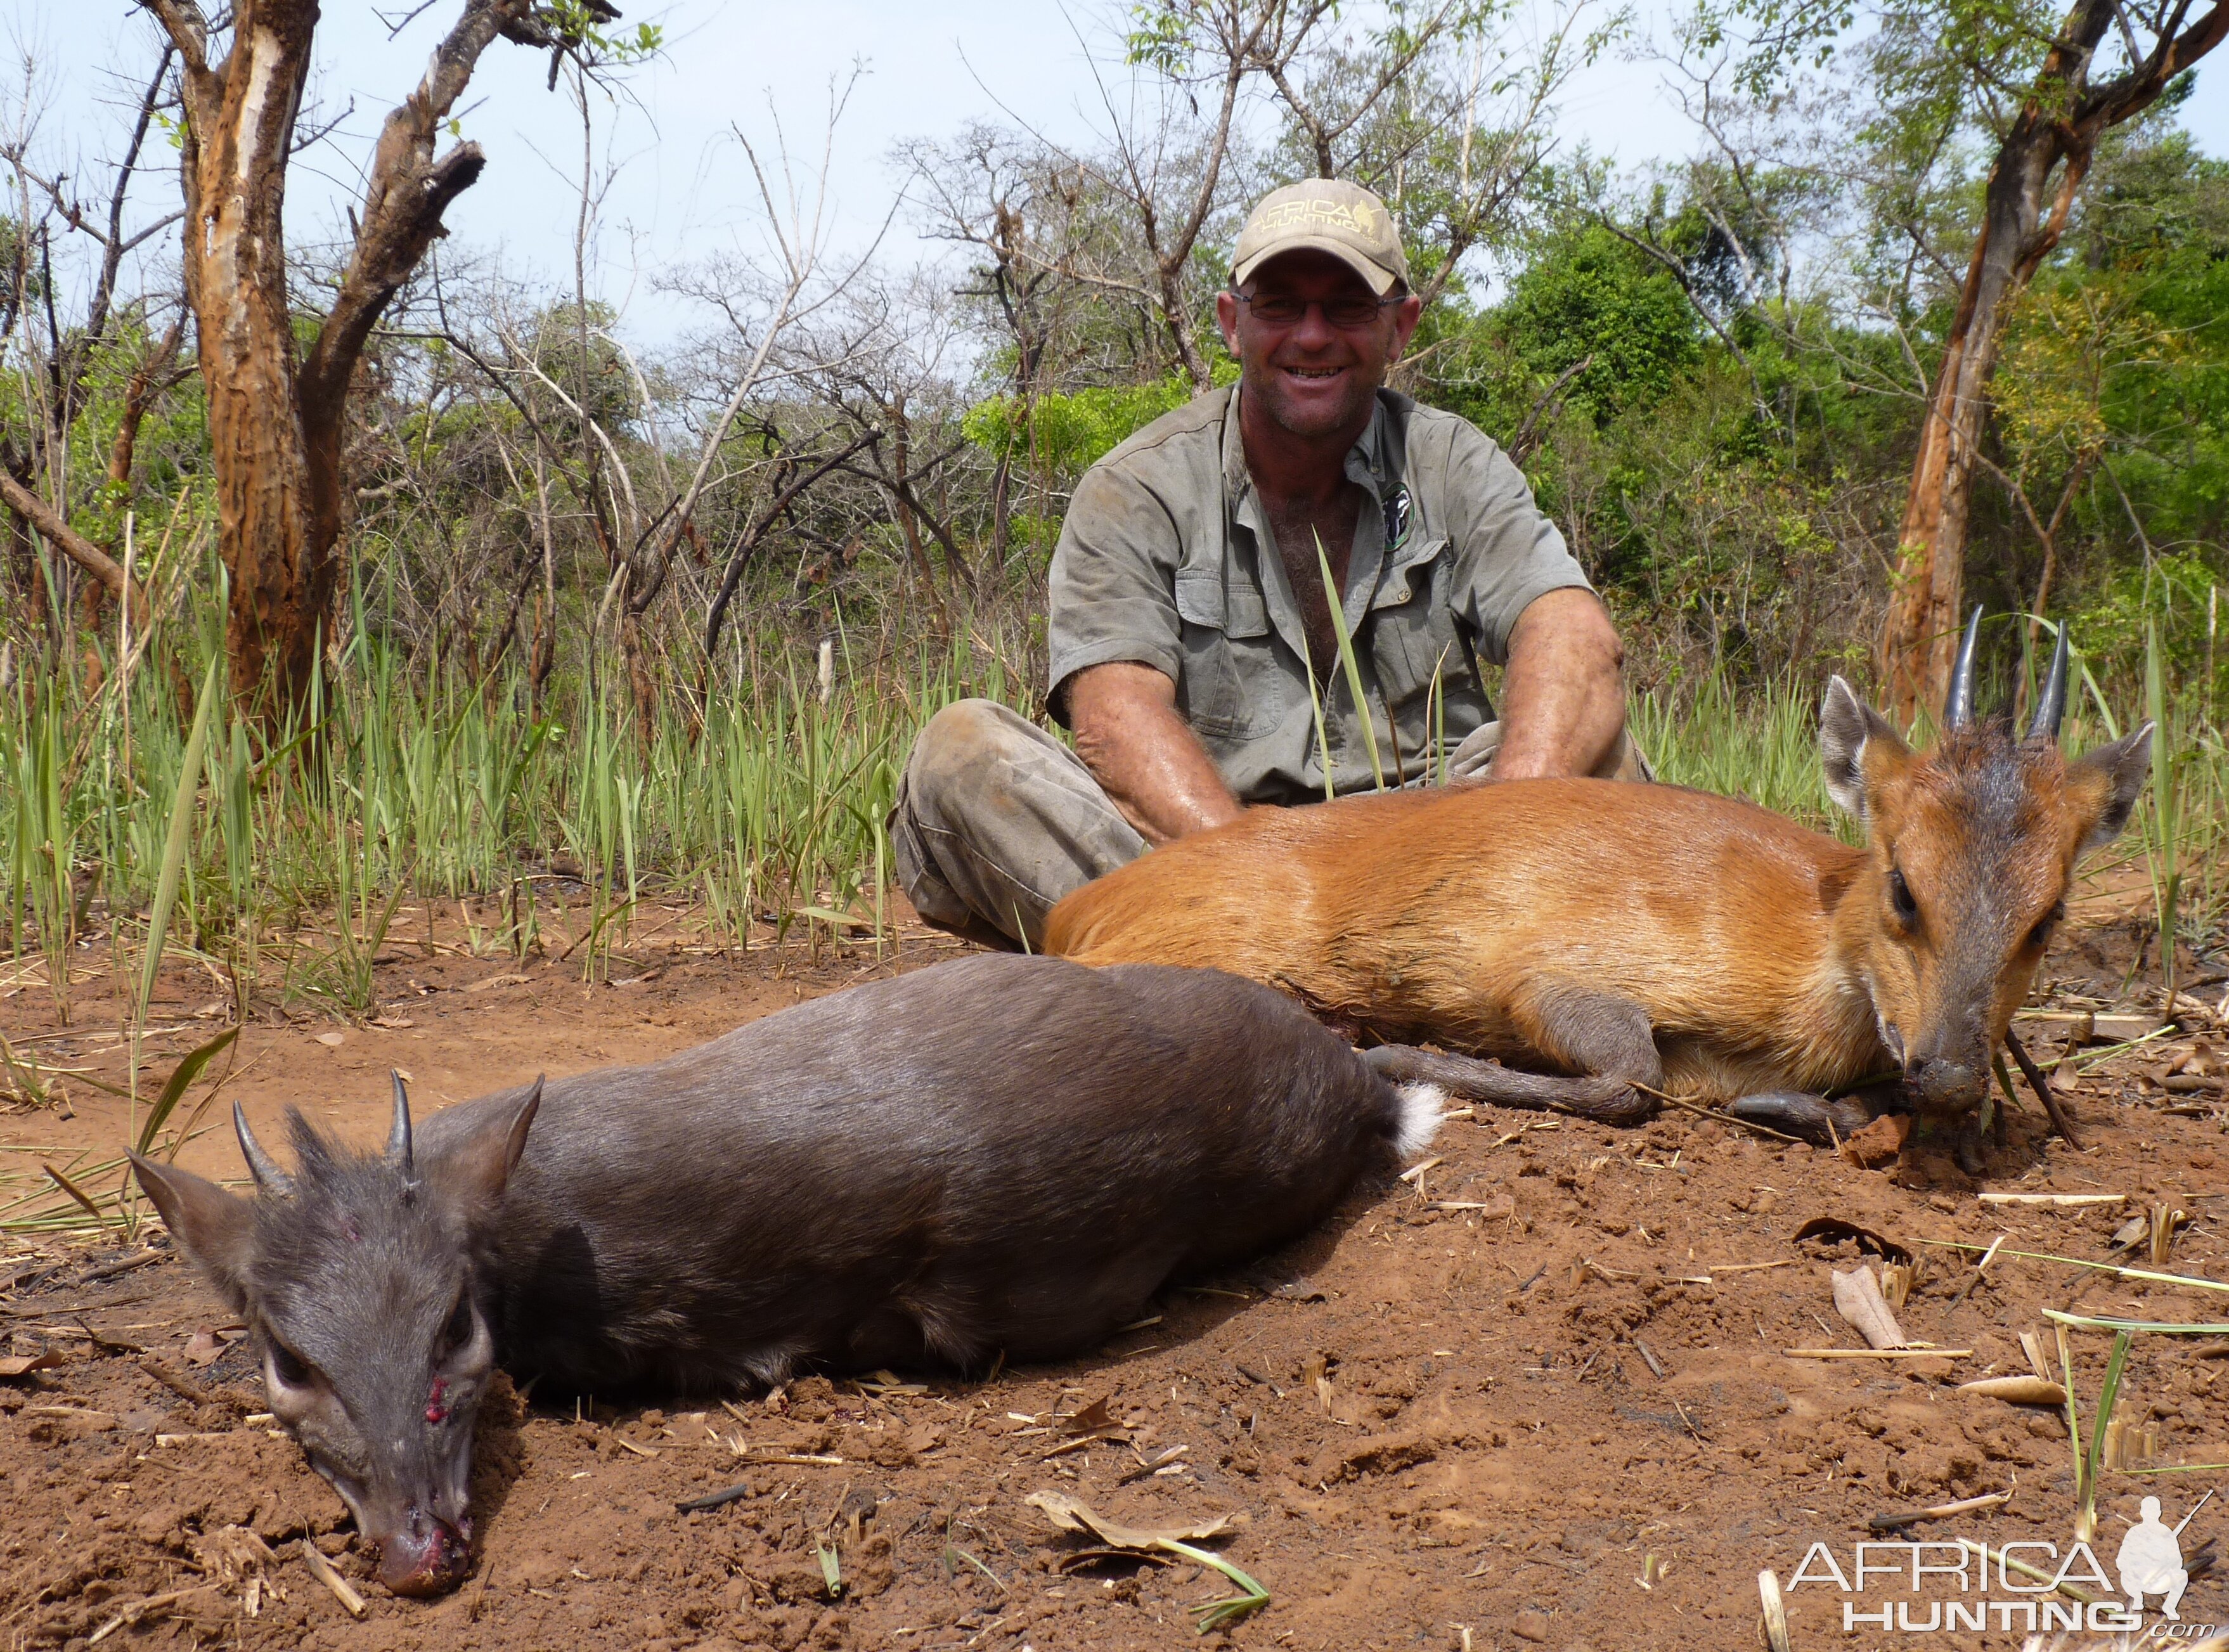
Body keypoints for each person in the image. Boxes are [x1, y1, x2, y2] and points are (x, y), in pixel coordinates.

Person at [889, 177, 1644, 950]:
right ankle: (1274, 978)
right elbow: (1116, 720)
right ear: (1231, 322)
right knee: (963, 754)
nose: (1312, 336)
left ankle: (1273, 984)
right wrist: (1262, 883)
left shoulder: (1452, 461)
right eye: (1280, 304)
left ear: (1401, 327)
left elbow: (1573, 636)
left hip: (1441, 866)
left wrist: (1496, 844)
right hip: (1214, 865)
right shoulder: (1136, 486)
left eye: (1348, 306)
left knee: (1604, 759)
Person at [2116, 1495, 2189, 1618]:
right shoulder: (2135, 1532)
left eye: (2153, 1512)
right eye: (2147, 1512)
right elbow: (2122, 1560)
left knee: (2182, 1575)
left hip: (2160, 1579)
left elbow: (2178, 1560)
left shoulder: (2166, 1532)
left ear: (2159, 1513)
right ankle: (2138, 1600)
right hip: (2136, 1579)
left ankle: (2170, 1606)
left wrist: (2163, 1564)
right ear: (2142, 1513)